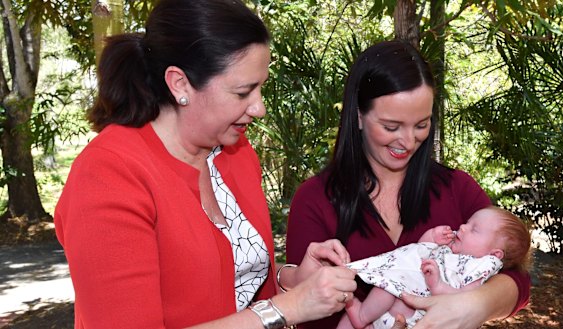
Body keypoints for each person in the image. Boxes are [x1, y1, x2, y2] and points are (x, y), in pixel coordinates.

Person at [53, 1, 359, 328]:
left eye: (261, 87)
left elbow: (232, 280)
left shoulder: (236, 153)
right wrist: (287, 308)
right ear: (180, 84)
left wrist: (293, 279)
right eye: (244, 92)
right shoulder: (109, 175)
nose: (259, 108)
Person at [285, 39, 531, 329]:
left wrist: (473, 304)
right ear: (358, 116)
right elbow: (306, 310)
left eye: (421, 125)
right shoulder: (315, 199)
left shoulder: (457, 188)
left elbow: (518, 280)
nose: (408, 141)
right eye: (391, 127)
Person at [338, 206, 532, 329]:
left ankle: (362, 316)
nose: (462, 227)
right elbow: (419, 253)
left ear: (495, 256)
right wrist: (432, 237)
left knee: (392, 286)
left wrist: (438, 285)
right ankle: (362, 317)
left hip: (410, 320)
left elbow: (462, 298)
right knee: (389, 282)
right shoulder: (451, 250)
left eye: (474, 229)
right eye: (467, 223)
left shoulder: (477, 270)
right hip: (386, 310)